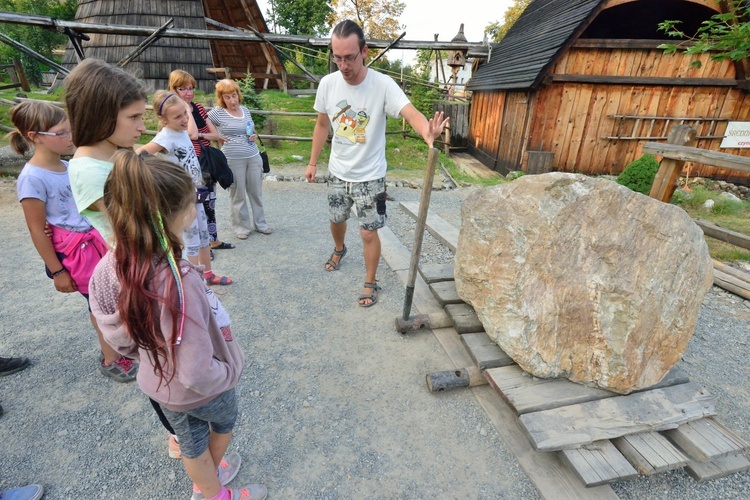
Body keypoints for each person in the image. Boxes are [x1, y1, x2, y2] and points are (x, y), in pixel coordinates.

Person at [90, 150, 267, 500]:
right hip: (201, 389)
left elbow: (109, 326)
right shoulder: (178, 281)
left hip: (159, 384)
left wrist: (145, 353)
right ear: (177, 213)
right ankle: (213, 485)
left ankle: (210, 492)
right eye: (194, 200)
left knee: (190, 444)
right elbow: (198, 373)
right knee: (223, 425)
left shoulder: (109, 266)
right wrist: (228, 373)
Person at [306, 20, 449, 307]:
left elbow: (410, 112)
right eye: (337, 57)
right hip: (337, 172)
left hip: (370, 176)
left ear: (364, 52)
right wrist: (312, 163)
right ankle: (339, 248)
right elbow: (322, 125)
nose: (343, 65)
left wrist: (426, 132)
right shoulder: (327, 84)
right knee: (337, 220)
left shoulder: (382, 85)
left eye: (349, 57)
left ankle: (370, 281)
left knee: (368, 231)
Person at [8, 100, 133, 382]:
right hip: (76, 254)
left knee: (113, 296)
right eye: (61, 133)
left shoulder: (68, 166)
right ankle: (111, 357)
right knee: (98, 303)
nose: (70, 138)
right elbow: (36, 228)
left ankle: (118, 345)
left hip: (95, 243)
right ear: (35, 137)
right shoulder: (31, 178)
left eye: (69, 131)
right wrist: (57, 270)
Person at [137, 91, 233, 286]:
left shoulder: (181, 131)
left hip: (196, 193)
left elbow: (192, 133)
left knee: (204, 235)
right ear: (162, 119)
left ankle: (207, 273)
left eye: (185, 114)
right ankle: (193, 281)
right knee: (191, 240)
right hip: (182, 199)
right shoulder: (165, 137)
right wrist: (159, 177)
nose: (184, 119)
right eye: (178, 116)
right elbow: (139, 154)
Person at [169, 70, 235, 253]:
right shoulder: (177, 112)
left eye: (191, 89)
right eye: (183, 89)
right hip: (188, 163)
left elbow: (215, 135)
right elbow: (190, 133)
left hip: (205, 162)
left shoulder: (198, 108)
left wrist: (201, 134)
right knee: (194, 206)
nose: (188, 93)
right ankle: (198, 246)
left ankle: (212, 240)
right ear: (174, 90)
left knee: (209, 203)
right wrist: (185, 109)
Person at [208, 79, 272, 240]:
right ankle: (241, 226)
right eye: (227, 97)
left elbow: (251, 128)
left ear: (238, 95)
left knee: (255, 192)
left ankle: (261, 223)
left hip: (253, 156)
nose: (232, 100)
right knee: (238, 194)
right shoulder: (217, 113)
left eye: (234, 95)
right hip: (232, 158)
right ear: (222, 98)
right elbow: (202, 121)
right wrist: (216, 136)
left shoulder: (245, 110)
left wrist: (254, 135)